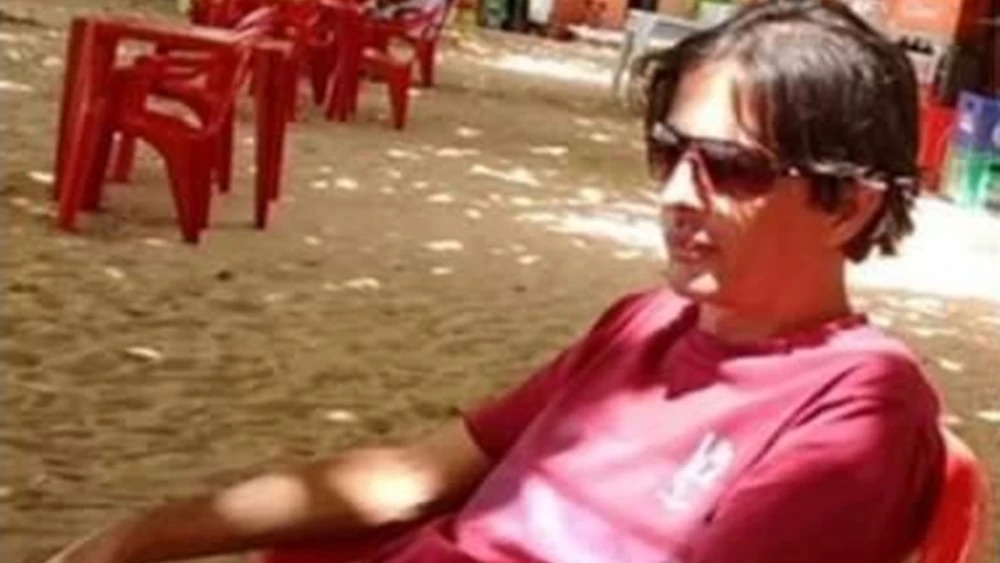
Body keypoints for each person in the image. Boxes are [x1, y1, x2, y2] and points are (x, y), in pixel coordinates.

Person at [45, 1, 945, 562]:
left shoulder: (857, 407)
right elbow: (411, 476)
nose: (677, 192)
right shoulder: (643, 323)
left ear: (849, 205)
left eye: (732, 167)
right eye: (669, 152)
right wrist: (141, 536)